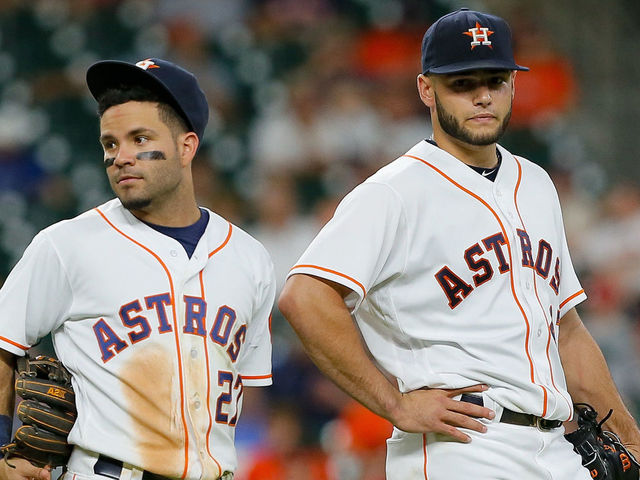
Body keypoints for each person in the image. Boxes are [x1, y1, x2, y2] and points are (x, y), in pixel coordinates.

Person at [278, 8, 640, 479]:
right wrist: (394, 404)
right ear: (427, 89)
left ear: (513, 83)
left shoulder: (535, 183)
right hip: (462, 446)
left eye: (494, 81)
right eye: (463, 84)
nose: (482, 96)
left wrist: (630, 437)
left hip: (555, 446)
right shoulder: (395, 192)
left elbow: (565, 328)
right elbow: (304, 296)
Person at [0, 57, 276, 480]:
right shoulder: (67, 245)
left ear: (187, 146)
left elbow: (244, 389)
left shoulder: (250, 258)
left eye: (138, 138)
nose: (120, 157)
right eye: (110, 144)